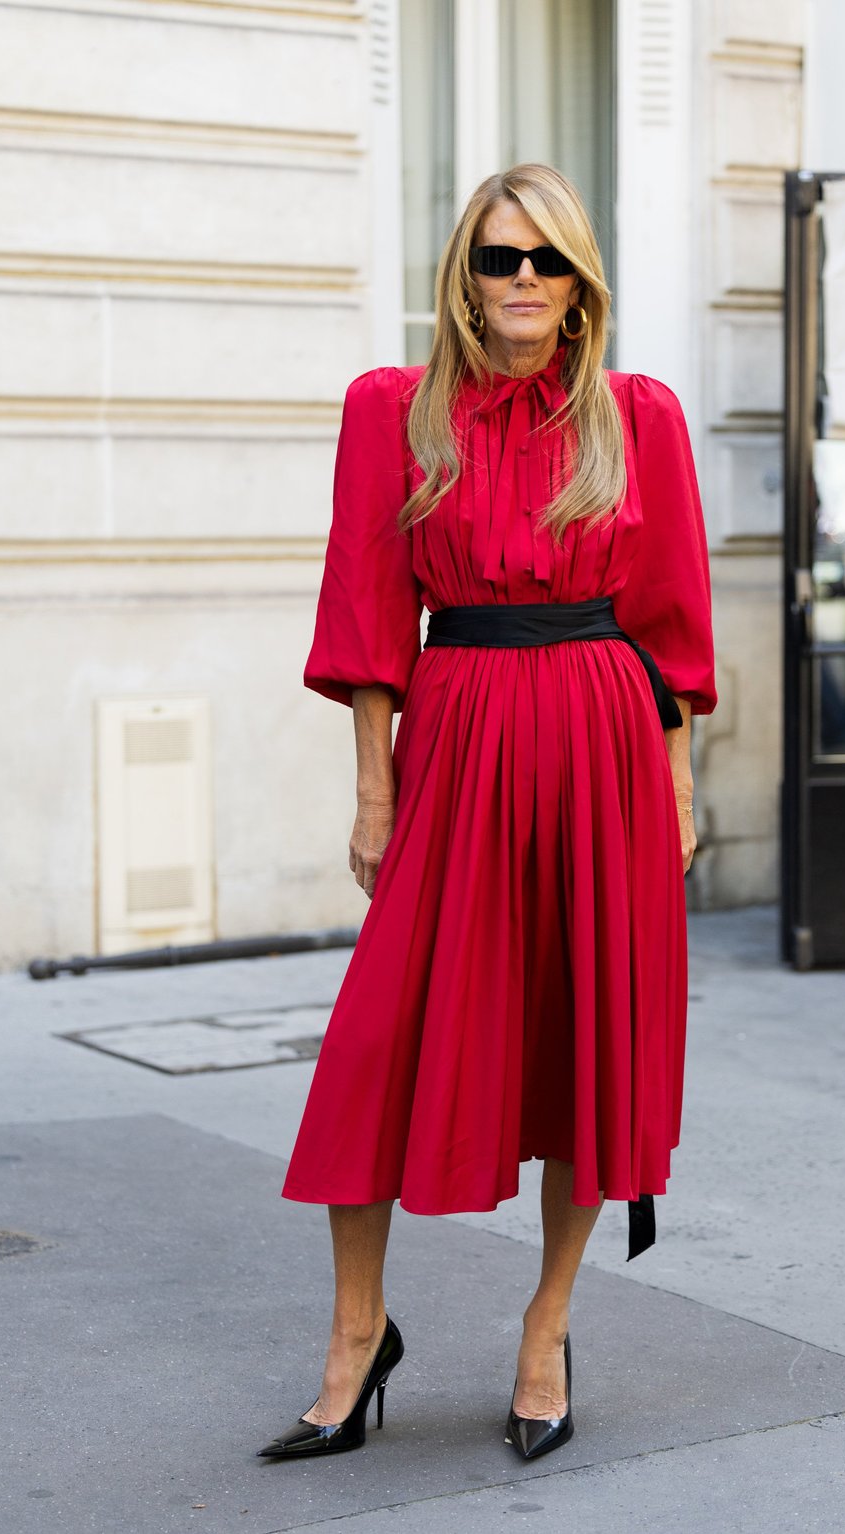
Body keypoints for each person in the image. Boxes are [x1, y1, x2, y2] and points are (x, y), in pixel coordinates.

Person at [257, 163, 716, 1465]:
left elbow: (674, 623)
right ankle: (358, 1334)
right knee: (375, 1046)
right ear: (463, 274)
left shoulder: (639, 416)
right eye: (499, 258)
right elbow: (366, 612)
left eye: (547, 261)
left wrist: (676, 790)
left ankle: (546, 1329)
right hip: (453, 738)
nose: (522, 280)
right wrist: (371, 784)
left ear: (581, 286)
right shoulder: (396, 410)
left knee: (584, 1043)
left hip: (603, 747)